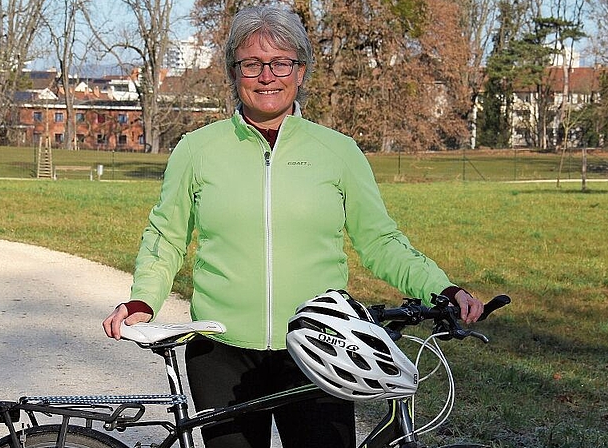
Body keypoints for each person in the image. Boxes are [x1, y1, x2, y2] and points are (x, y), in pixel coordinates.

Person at [102, 5, 484, 448]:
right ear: (234, 72)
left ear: (300, 72)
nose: (267, 76)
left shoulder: (337, 151)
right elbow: (166, 236)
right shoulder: (196, 150)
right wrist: (141, 300)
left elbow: (380, 240)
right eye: (252, 64)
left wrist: (443, 288)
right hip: (221, 353)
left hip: (323, 347)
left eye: (281, 62)